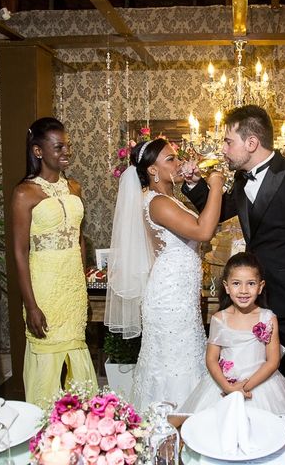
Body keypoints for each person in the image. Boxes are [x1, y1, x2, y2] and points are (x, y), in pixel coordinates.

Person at [183, 105, 285, 416]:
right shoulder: (242, 181)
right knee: (267, 388)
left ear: (251, 143)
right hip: (259, 301)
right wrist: (193, 185)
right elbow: (222, 208)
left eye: (228, 142)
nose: (223, 149)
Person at [105, 137, 225, 412]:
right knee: (174, 365)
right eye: (170, 159)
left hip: (179, 296)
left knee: (185, 360)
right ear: (152, 171)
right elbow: (204, 231)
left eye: (176, 156)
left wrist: (198, 184)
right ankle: (171, 424)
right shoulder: (158, 202)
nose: (179, 162)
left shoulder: (170, 199)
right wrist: (216, 183)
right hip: (169, 300)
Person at [11, 117, 97, 405]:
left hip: (72, 286)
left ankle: (83, 428)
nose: (66, 151)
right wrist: (31, 305)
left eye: (68, 146)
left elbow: (80, 239)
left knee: (76, 349)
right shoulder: (25, 193)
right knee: (47, 359)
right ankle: (42, 428)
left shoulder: (74, 187)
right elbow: (20, 252)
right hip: (44, 287)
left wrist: (82, 286)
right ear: (38, 151)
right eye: (58, 146)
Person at [180, 252, 285, 415]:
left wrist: (243, 388)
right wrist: (228, 388)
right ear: (226, 287)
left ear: (260, 287)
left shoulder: (268, 318)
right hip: (224, 384)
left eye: (251, 283)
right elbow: (211, 359)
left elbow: (273, 361)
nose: (244, 290)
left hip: (260, 385)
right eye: (236, 283)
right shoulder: (219, 319)